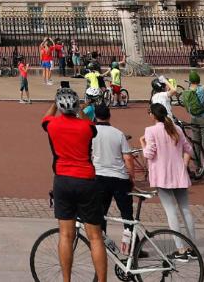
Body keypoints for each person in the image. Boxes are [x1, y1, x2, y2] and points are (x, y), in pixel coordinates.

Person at [41, 87, 108, 282]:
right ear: (76, 106)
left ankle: (66, 280)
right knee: (95, 236)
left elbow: (45, 119)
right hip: (86, 179)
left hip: (63, 179)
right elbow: (92, 126)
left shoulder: (52, 125)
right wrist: (81, 109)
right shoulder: (86, 127)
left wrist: (54, 103)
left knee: (66, 235)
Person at [141, 103, 197, 259]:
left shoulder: (150, 131)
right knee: (185, 210)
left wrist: (143, 143)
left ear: (152, 115)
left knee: (171, 212)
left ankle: (180, 249)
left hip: (162, 175)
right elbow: (189, 149)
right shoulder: (176, 129)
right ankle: (193, 247)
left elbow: (149, 154)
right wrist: (183, 165)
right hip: (179, 174)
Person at [91, 104, 136, 254]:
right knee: (127, 213)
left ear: (95, 116)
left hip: (99, 176)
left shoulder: (92, 133)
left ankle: (102, 243)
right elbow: (128, 158)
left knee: (101, 212)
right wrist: (131, 176)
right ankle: (130, 245)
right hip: (119, 178)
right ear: (109, 115)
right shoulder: (118, 134)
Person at [180, 63, 204, 175]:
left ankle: (198, 167)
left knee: (196, 143)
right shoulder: (201, 90)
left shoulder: (185, 92)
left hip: (193, 119)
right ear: (198, 80)